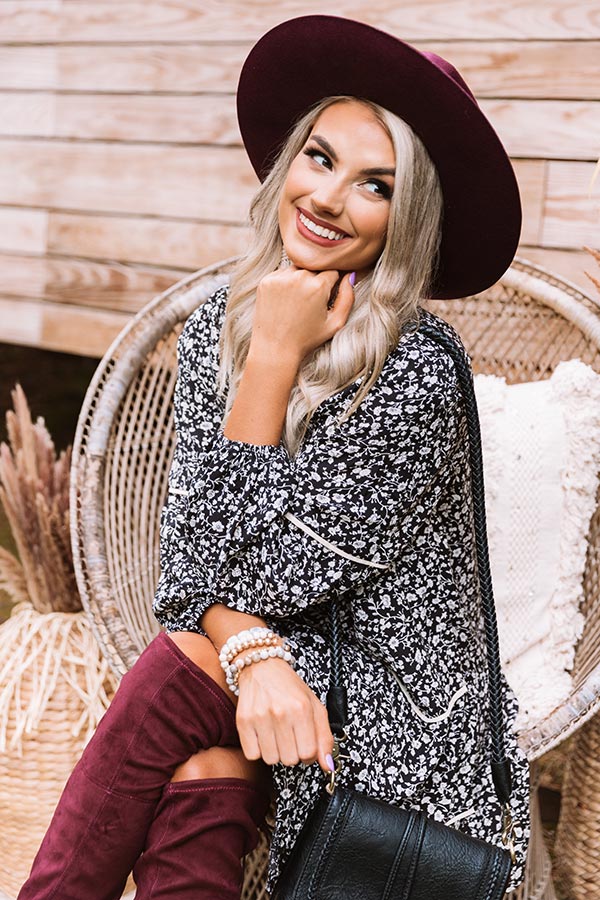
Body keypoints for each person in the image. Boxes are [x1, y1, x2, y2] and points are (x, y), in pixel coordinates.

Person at [19, 14, 531, 900]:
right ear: (289, 161)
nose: (328, 199)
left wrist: (272, 361)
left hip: (392, 703)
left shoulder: (419, 367)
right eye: (320, 158)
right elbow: (189, 564)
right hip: (270, 666)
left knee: (183, 667)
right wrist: (257, 659)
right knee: (202, 767)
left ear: (406, 220)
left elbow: (261, 575)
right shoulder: (219, 323)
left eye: (375, 186)